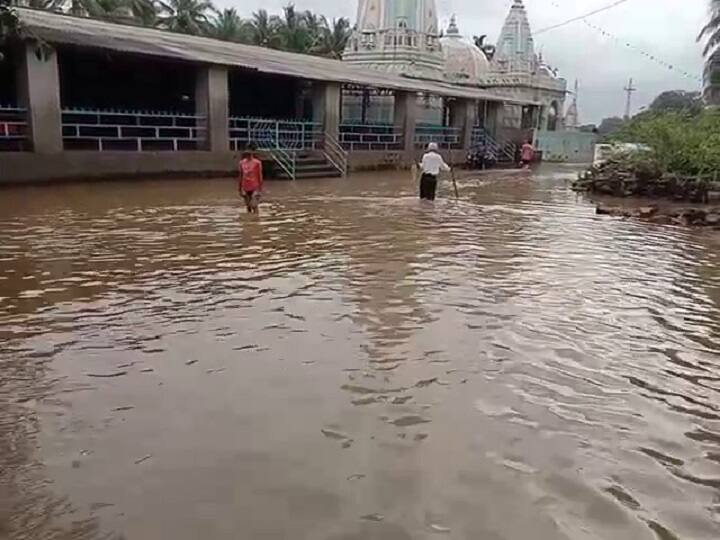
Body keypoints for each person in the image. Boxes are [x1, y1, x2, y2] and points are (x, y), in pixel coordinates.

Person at [238, 145, 263, 214]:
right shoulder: (241, 163)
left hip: (255, 186)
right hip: (245, 186)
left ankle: (256, 220)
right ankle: (249, 222)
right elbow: (241, 175)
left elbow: (260, 175)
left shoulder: (257, 163)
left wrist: (260, 189)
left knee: (254, 205)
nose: (248, 153)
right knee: (248, 206)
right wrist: (240, 188)